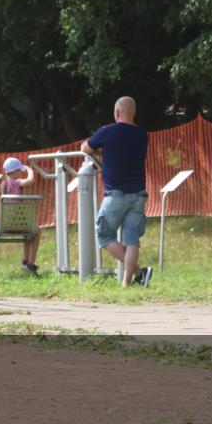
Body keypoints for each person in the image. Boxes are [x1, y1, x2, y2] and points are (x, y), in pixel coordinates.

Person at [81, 96, 153, 287]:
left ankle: (139, 272)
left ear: (117, 112)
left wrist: (99, 153)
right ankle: (128, 282)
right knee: (132, 240)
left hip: (116, 194)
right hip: (139, 194)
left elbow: (85, 148)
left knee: (104, 235)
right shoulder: (142, 135)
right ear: (134, 113)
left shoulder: (108, 131)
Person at [0, 157, 42, 273]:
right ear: (16, 171)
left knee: (28, 234)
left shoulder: (3, 184)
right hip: (16, 223)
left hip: (7, 222)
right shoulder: (15, 183)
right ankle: (31, 264)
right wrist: (30, 171)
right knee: (37, 231)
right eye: (20, 171)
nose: (21, 173)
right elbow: (30, 180)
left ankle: (25, 261)